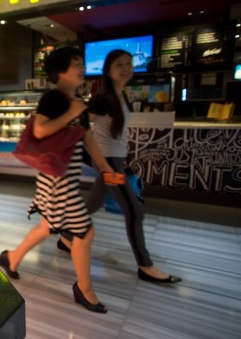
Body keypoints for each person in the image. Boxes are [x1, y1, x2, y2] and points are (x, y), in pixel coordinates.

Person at [0, 46, 116, 313]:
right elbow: (39, 131)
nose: (82, 68)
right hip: (56, 180)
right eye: (77, 64)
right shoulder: (54, 98)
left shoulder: (77, 102)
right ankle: (84, 289)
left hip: (65, 177)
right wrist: (73, 112)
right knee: (85, 232)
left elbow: (86, 138)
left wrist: (104, 166)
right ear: (60, 72)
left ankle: (12, 258)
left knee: (47, 227)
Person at [58, 49, 181, 283]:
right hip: (107, 162)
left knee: (93, 202)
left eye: (129, 63)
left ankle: (65, 233)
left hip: (113, 160)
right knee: (134, 210)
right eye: (119, 65)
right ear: (108, 70)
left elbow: (115, 134)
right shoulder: (104, 97)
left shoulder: (119, 94)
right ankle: (145, 266)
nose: (126, 68)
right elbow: (82, 123)